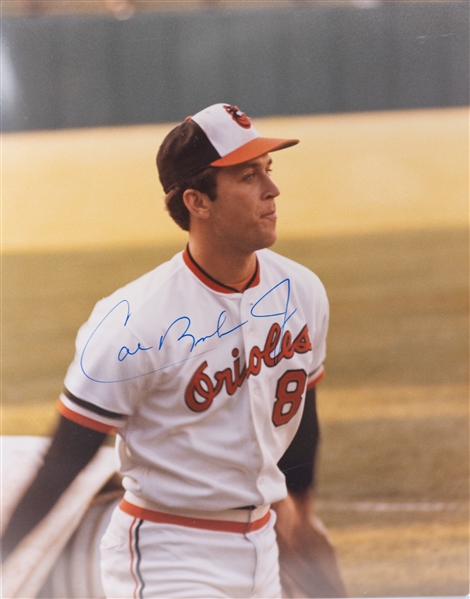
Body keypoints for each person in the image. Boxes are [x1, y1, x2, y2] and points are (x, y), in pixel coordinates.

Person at [2, 103, 346, 598]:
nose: (272, 191)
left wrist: (301, 516)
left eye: (267, 171)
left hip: (261, 550)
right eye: (248, 176)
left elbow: (300, 409)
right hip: (169, 555)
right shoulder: (132, 321)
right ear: (197, 202)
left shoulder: (302, 290)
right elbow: (65, 458)